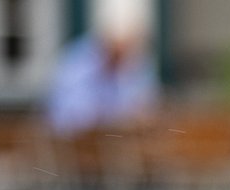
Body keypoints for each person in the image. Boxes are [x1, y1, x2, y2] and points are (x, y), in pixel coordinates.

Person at [45, 1, 159, 138]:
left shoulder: (133, 62)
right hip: (74, 146)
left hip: (111, 144)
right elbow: (69, 114)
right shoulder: (78, 62)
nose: (126, 56)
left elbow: (142, 101)